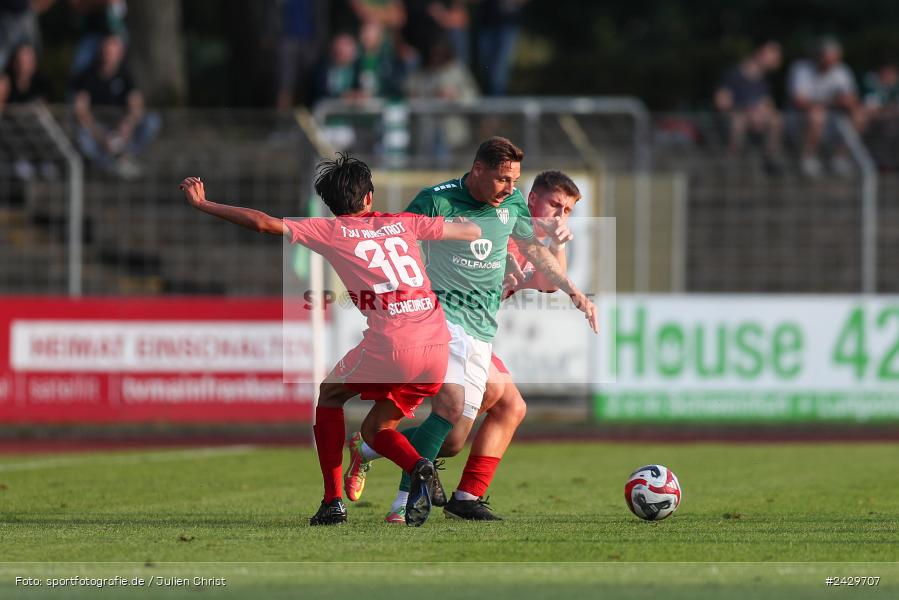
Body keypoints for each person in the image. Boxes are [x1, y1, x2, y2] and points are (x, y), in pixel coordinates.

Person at [180, 154, 482, 527]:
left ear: (331, 204)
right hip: (437, 345)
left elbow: (262, 223)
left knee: (330, 394)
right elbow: (469, 232)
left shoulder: (330, 230)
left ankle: (333, 502)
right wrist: (465, 220)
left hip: (393, 343)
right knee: (376, 430)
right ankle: (418, 464)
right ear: (369, 197)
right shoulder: (403, 222)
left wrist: (204, 203)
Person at [342, 136, 598, 524]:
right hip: (439, 322)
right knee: (463, 407)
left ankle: (375, 448)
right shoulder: (450, 202)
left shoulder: (514, 217)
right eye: (555, 206)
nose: (560, 216)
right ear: (533, 199)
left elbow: (545, 277)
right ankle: (414, 502)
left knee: (459, 436)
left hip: (479, 333)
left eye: (568, 211)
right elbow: (396, 242)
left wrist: (573, 287)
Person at [71, 32, 160, 178]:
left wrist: (128, 125)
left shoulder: (126, 75)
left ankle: (125, 157)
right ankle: (104, 166)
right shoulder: (88, 75)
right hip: (98, 129)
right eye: (107, 49)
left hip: (121, 130)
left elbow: (136, 104)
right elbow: (81, 110)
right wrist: (99, 135)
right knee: (82, 135)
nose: (109, 54)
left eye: (113, 50)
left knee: (152, 121)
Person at [787, 37, 863, 178]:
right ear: (819, 56)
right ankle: (807, 158)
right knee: (817, 115)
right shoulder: (801, 68)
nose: (832, 63)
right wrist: (832, 102)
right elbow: (799, 101)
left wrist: (843, 102)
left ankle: (840, 157)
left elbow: (851, 99)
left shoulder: (842, 71)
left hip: (832, 117)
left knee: (859, 116)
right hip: (800, 117)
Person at [714, 41, 784, 172]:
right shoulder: (733, 74)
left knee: (776, 119)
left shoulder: (764, 81)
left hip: (756, 119)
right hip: (735, 117)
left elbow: (769, 105)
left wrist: (761, 113)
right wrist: (747, 111)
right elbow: (721, 102)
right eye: (773, 56)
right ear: (760, 54)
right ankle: (731, 161)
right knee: (738, 121)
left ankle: (771, 159)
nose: (776, 61)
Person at [0, 42, 58, 181]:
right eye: (20, 60)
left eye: (28, 59)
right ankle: (21, 161)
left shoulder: (42, 81)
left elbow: (49, 108)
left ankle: (45, 161)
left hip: (34, 126)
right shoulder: (7, 81)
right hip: (12, 128)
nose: (24, 64)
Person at [476, 0, 527, 96]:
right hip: (486, 22)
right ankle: (489, 103)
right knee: (485, 69)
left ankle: (497, 106)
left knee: (499, 73)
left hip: (507, 24)